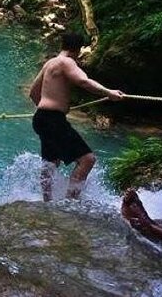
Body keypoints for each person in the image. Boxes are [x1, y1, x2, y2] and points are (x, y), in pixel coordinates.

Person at [29, 32, 124, 201]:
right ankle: (69, 203)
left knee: (51, 162)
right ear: (78, 49)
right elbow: (83, 81)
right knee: (87, 159)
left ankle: (47, 201)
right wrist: (109, 92)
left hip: (41, 118)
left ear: (62, 45)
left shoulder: (50, 63)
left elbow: (33, 93)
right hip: (52, 119)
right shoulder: (67, 62)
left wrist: (46, 108)